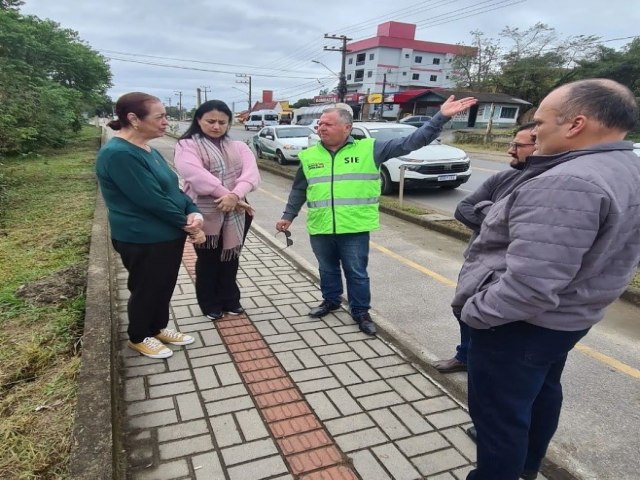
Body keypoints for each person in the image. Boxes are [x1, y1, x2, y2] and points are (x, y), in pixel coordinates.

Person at [453, 78, 640, 480]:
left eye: (539, 122)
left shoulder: (567, 181)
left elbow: (529, 286)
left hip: (520, 326)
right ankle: (526, 468)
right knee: (540, 393)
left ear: (575, 124)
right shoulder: (629, 166)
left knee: (499, 420)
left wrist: (476, 314)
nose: (533, 132)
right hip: (570, 317)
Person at [275, 96, 477, 335]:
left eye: (327, 124)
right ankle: (331, 300)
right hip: (320, 225)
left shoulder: (370, 149)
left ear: (346, 127)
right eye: (320, 124)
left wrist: (440, 116)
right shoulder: (310, 156)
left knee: (356, 272)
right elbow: (300, 189)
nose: (321, 128)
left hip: (355, 227)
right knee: (326, 269)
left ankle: (360, 311)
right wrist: (289, 215)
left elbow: (412, 141)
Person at [96, 92, 204, 359]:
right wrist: (189, 225)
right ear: (133, 119)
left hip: (166, 236)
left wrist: (194, 211)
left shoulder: (148, 149)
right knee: (146, 287)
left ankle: (156, 328)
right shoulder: (118, 154)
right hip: (142, 237)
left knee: (163, 285)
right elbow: (152, 200)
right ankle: (139, 335)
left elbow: (173, 189)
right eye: (160, 117)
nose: (166, 122)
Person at [433, 122, 537, 374]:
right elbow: (464, 208)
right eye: (511, 144)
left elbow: (532, 233)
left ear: (540, 145)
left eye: (518, 145)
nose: (510, 151)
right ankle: (465, 356)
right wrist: (501, 226)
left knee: (496, 324)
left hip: (511, 271)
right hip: (478, 264)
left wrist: (489, 219)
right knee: (464, 312)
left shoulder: (547, 184)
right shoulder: (503, 178)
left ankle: (485, 365)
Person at [174, 100, 260, 320]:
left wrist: (235, 196)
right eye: (210, 121)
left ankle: (231, 300)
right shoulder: (187, 145)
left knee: (231, 257)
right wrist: (227, 194)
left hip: (237, 211)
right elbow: (195, 175)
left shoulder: (239, 146)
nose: (216, 126)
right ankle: (209, 303)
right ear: (198, 120)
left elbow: (251, 175)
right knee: (208, 260)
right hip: (203, 213)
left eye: (222, 122)